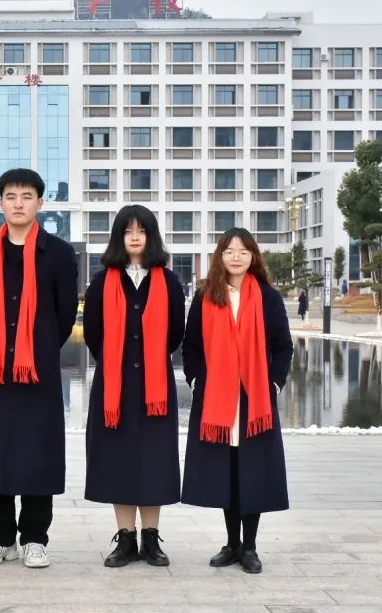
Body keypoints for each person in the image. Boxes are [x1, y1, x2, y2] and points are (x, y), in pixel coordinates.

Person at [0, 168, 78, 568]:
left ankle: (34, 538)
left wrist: (36, 346)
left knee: (37, 452)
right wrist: (3, 344)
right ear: (0, 203)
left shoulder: (58, 253)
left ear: (40, 203)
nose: (18, 203)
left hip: (37, 370)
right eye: (11, 196)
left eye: (27, 196)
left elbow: (65, 313)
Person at [181, 228, 293, 575]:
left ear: (253, 257)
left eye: (243, 251)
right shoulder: (206, 297)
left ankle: (250, 547)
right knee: (226, 473)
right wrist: (197, 382)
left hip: (254, 398)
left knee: (252, 473)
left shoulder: (268, 298)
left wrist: (273, 385)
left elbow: (283, 347)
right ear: (220, 256)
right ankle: (231, 544)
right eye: (229, 251)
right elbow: (191, 346)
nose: (236, 257)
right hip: (216, 396)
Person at [83, 205, 185, 567]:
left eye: (142, 230)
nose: (135, 237)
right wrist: (118, 361)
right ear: (119, 237)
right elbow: (93, 334)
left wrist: (151, 359)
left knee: (154, 460)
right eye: (128, 231)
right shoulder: (102, 282)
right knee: (118, 460)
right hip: (115, 387)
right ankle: (125, 539)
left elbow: (176, 333)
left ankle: (151, 539)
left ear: (151, 236)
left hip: (156, 388)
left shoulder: (168, 282)